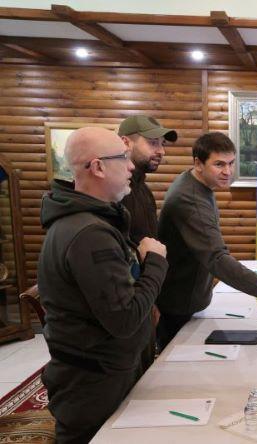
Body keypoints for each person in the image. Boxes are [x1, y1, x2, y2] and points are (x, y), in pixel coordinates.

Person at [38, 127, 168, 443]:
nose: (131, 166)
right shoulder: (90, 233)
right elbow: (124, 318)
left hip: (101, 372)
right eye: (123, 157)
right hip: (94, 384)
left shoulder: (92, 220)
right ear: (97, 167)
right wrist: (155, 262)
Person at [155, 132, 257, 350]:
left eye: (231, 163)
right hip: (179, 306)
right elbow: (216, 258)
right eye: (219, 164)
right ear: (198, 164)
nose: (227, 171)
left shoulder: (194, 182)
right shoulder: (190, 199)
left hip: (188, 296)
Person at [118, 114, 177, 374]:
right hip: (126, 307)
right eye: (153, 143)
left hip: (145, 297)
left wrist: (152, 300)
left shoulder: (142, 189)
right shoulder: (116, 193)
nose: (161, 151)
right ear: (125, 143)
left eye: (162, 144)